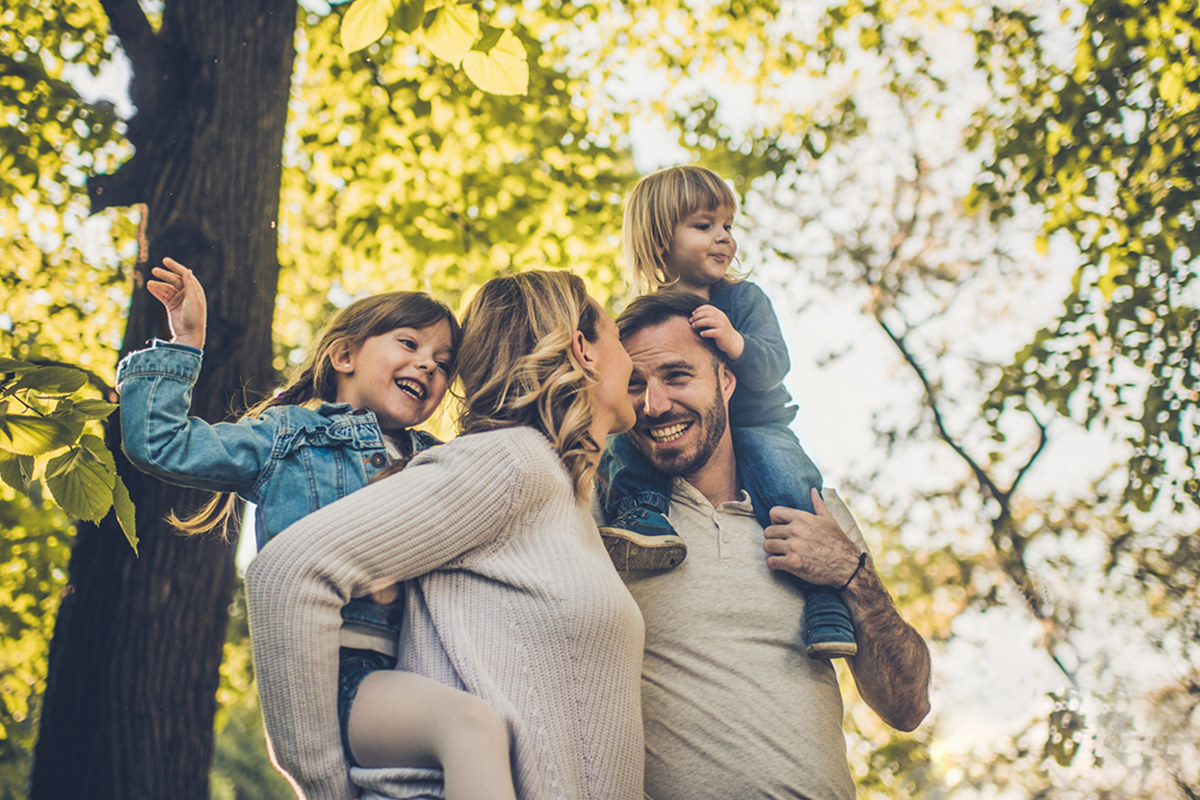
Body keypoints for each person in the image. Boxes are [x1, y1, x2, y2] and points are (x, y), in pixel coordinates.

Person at [117, 258, 518, 800]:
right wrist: (186, 343)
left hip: (424, 667)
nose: (427, 365)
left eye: (444, 364)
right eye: (409, 343)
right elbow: (161, 442)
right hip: (338, 675)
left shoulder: (439, 459)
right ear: (344, 355)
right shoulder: (291, 436)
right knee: (470, 727)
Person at [244, 270, 646, 800]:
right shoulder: (510, 462)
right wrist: (324, 785)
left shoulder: (563, 493)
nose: (633, 363)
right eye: (619, 338)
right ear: (583, 348)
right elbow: (288, 572)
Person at [605, 291, 931, 800]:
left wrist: (852, 572)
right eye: (635, 385)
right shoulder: (608, 519)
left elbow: (906, 705)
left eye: (677, 376)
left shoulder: (813, 511)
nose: (655, 404)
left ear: (726, 380)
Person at [598, 164, 855, 659]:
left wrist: (736, 343)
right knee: (622, 438)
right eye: (704, 226)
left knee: (787, 479)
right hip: (681, 435)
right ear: (660, 240)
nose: (724, 238)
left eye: (728, 226)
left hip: (757, 423)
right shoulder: (643, 318)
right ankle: (642, 514)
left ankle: (823, 598)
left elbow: (775, 365)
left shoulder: (743, 300)